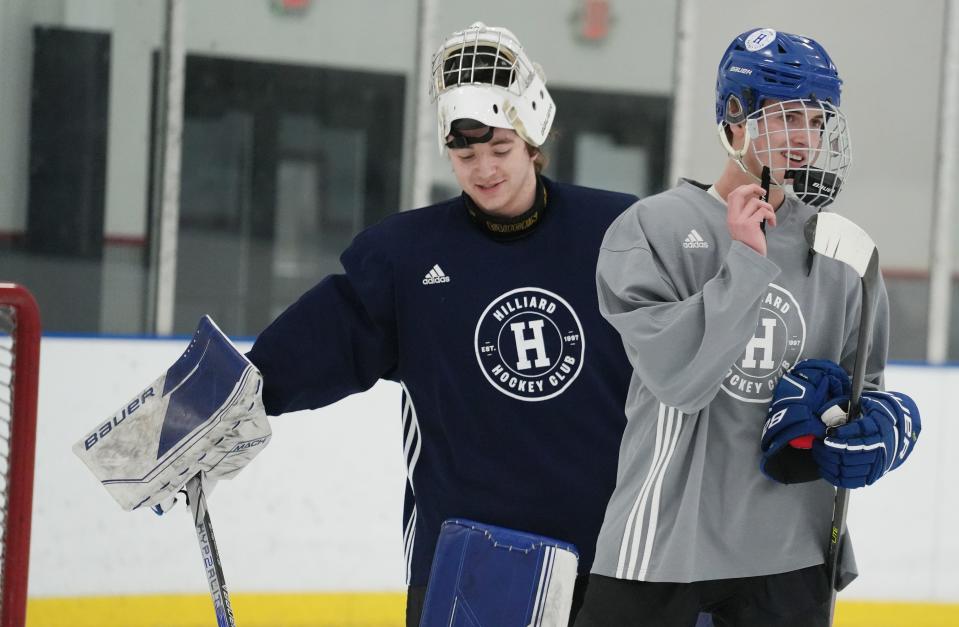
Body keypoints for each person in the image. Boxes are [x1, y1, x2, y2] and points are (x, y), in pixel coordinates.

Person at [246, 23, 640, 625]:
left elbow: (700, 344)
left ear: (534, 138)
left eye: (500, 149)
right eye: (465, 154)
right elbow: (322, 341)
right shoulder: (406, 256)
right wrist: (226, 398)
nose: (483, 169)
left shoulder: (620, 235)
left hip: (610, 559)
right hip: (469, 566)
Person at [573, 28, 921, 627]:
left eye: (815, 121)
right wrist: (747, 263)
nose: (803, 139)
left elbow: (866, 387)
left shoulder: (844, 252)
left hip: (790, 550)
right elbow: (680, 379)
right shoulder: (648, 230)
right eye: (786, 117)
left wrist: (880, 426)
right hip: (663, 544)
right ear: (735, 117)